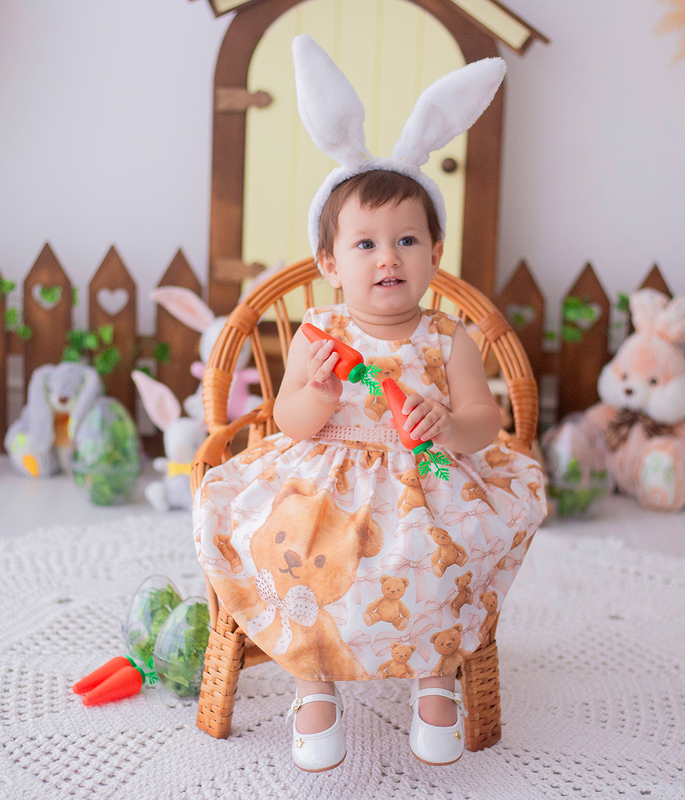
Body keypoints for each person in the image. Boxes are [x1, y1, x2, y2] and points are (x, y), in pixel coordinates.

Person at [193, 35, 546, 773]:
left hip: (425, 476)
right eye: (365, 245)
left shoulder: (446, 337)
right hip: (325, 476)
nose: (388, 257)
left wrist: (449, 425)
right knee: (289, 548)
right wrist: (318, 393)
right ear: (329, 262)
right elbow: (289, 421)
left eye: (407, 240)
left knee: (441, 553)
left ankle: (434, 679)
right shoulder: (320, 331)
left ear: (434, 256)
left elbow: (486, 422)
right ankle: (313, 685)